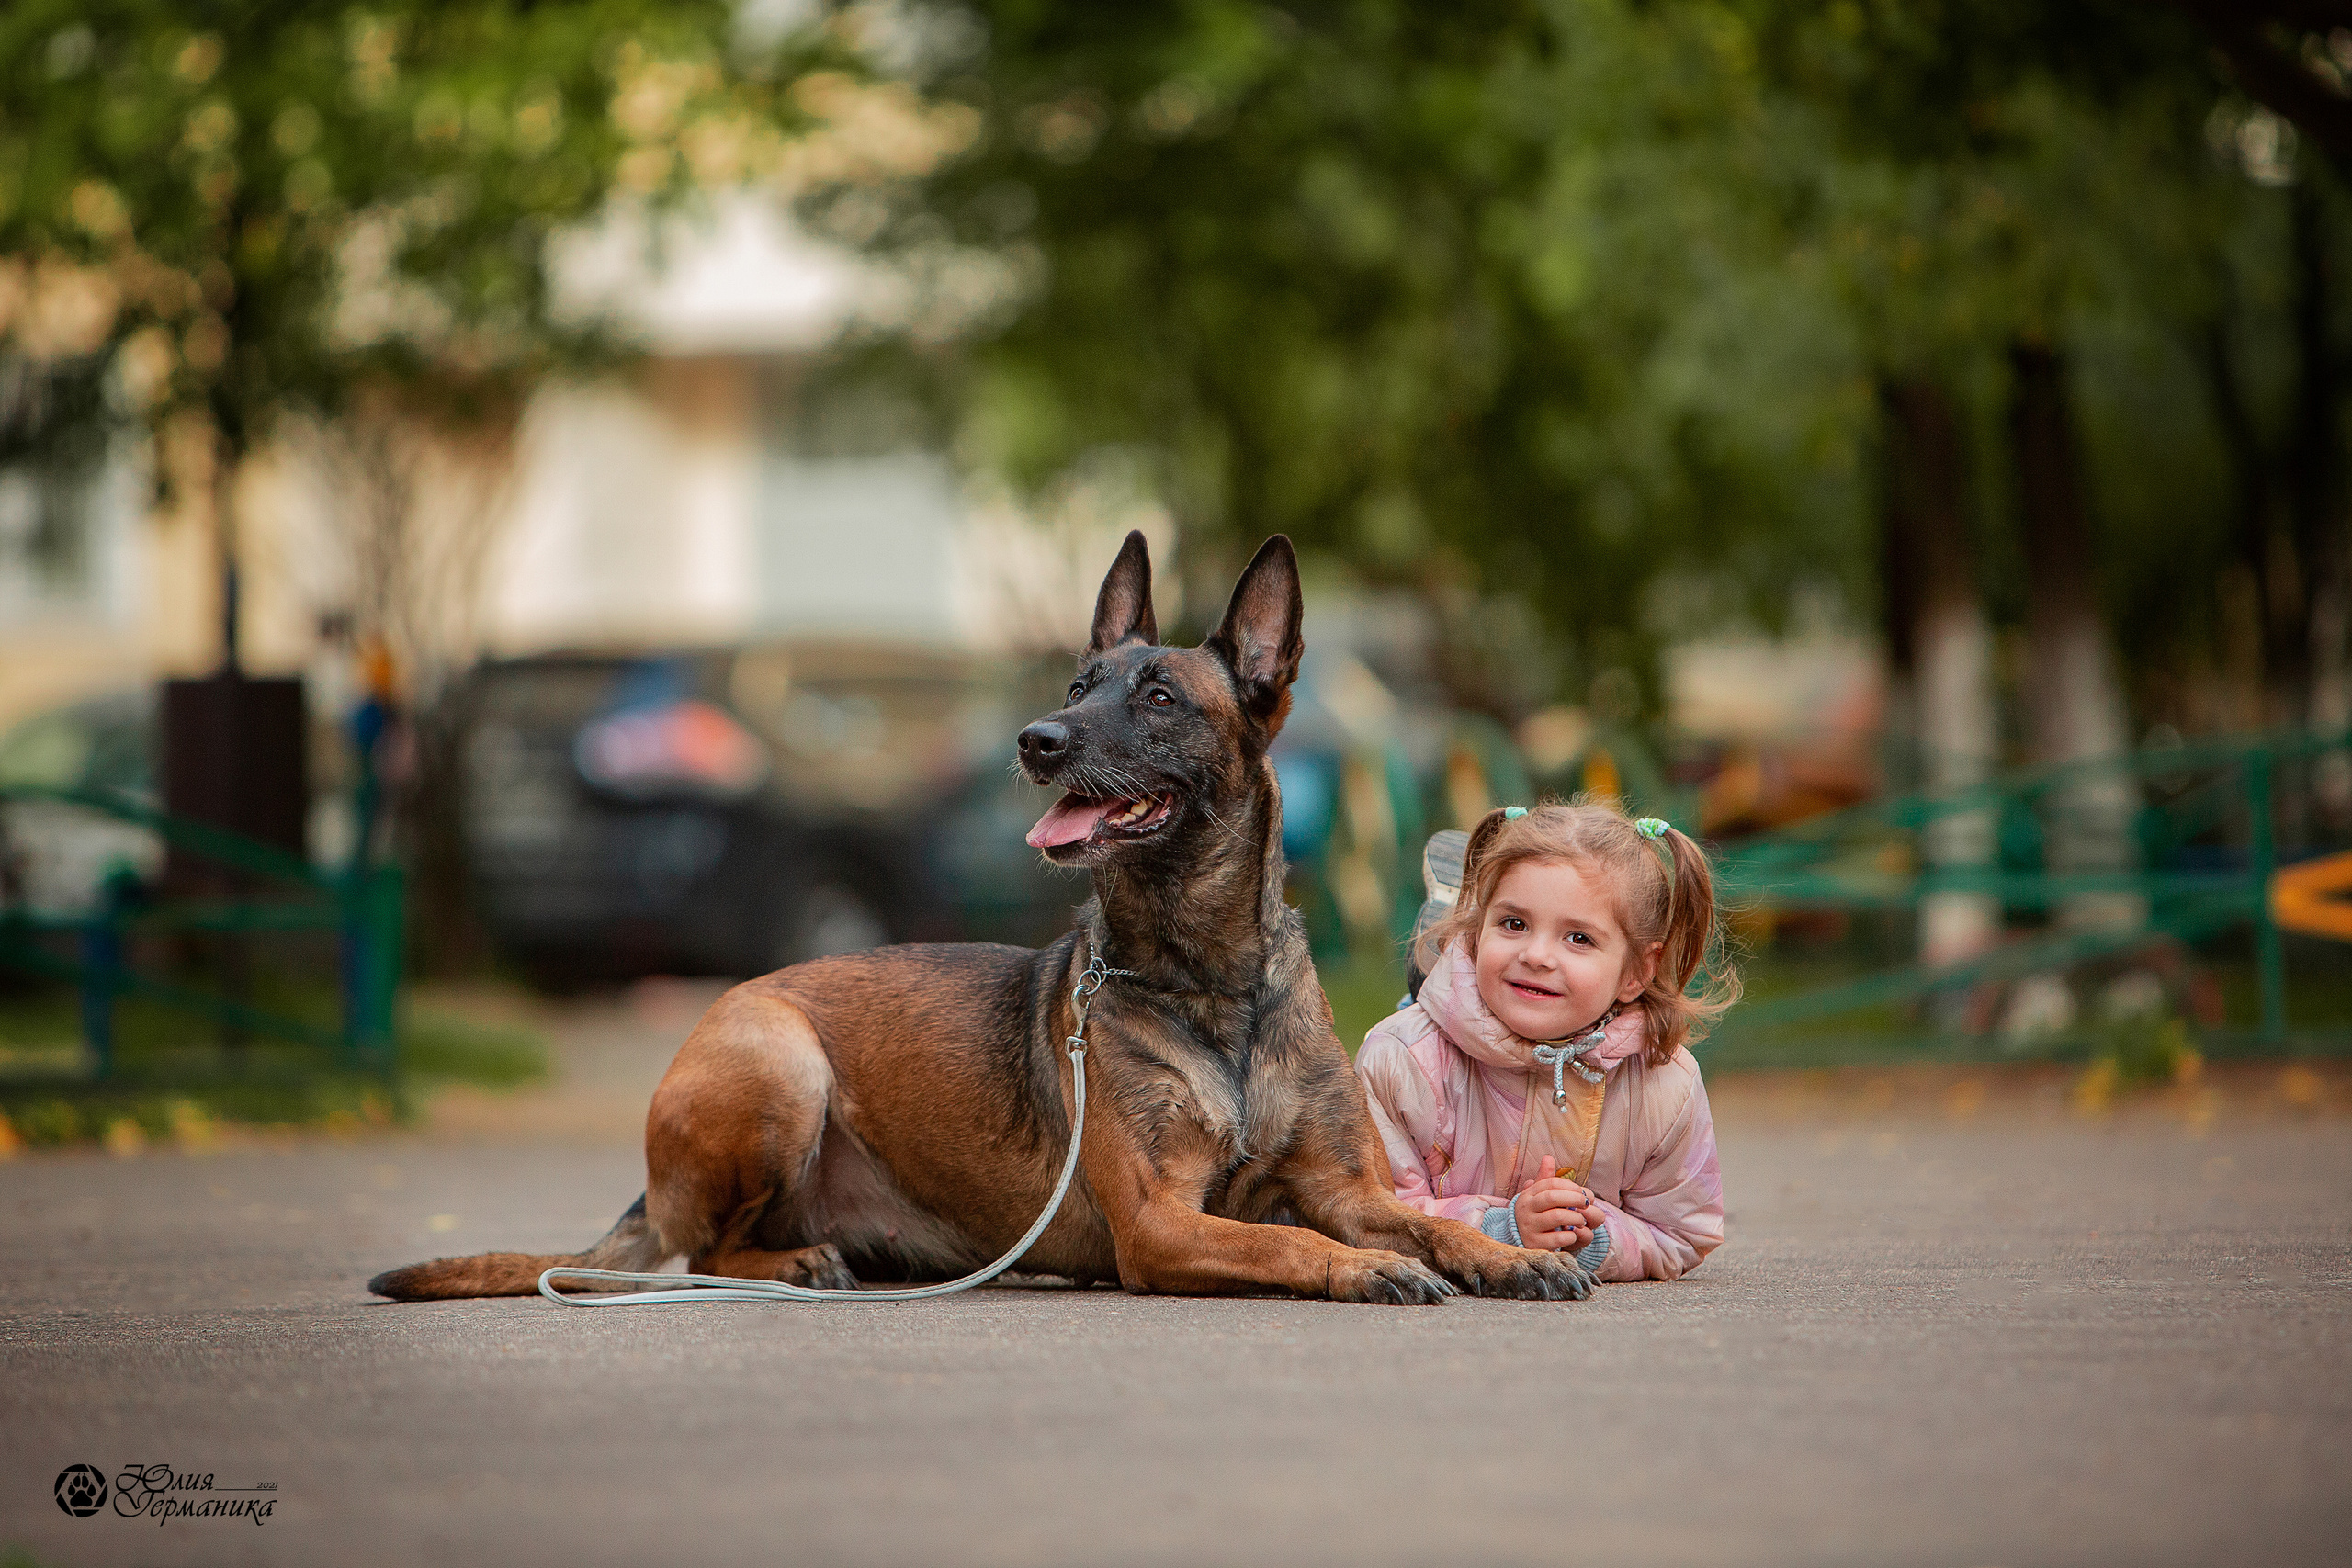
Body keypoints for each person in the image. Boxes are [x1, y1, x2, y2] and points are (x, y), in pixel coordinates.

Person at [1354, 801, 1736, 1281]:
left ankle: (1455, 930)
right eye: (1513, 923)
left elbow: (1684, 1231)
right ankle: (1439, 961)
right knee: (1418, 1023)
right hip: (1433, 1055)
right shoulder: (1400, 1059)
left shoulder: (1665, 1083)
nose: (1537, 955)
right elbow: (1367, 1214)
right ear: (1481, 932)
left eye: (1578, 938)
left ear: (1638, 971)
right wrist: (1500, 1229)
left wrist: (1589, 1238)